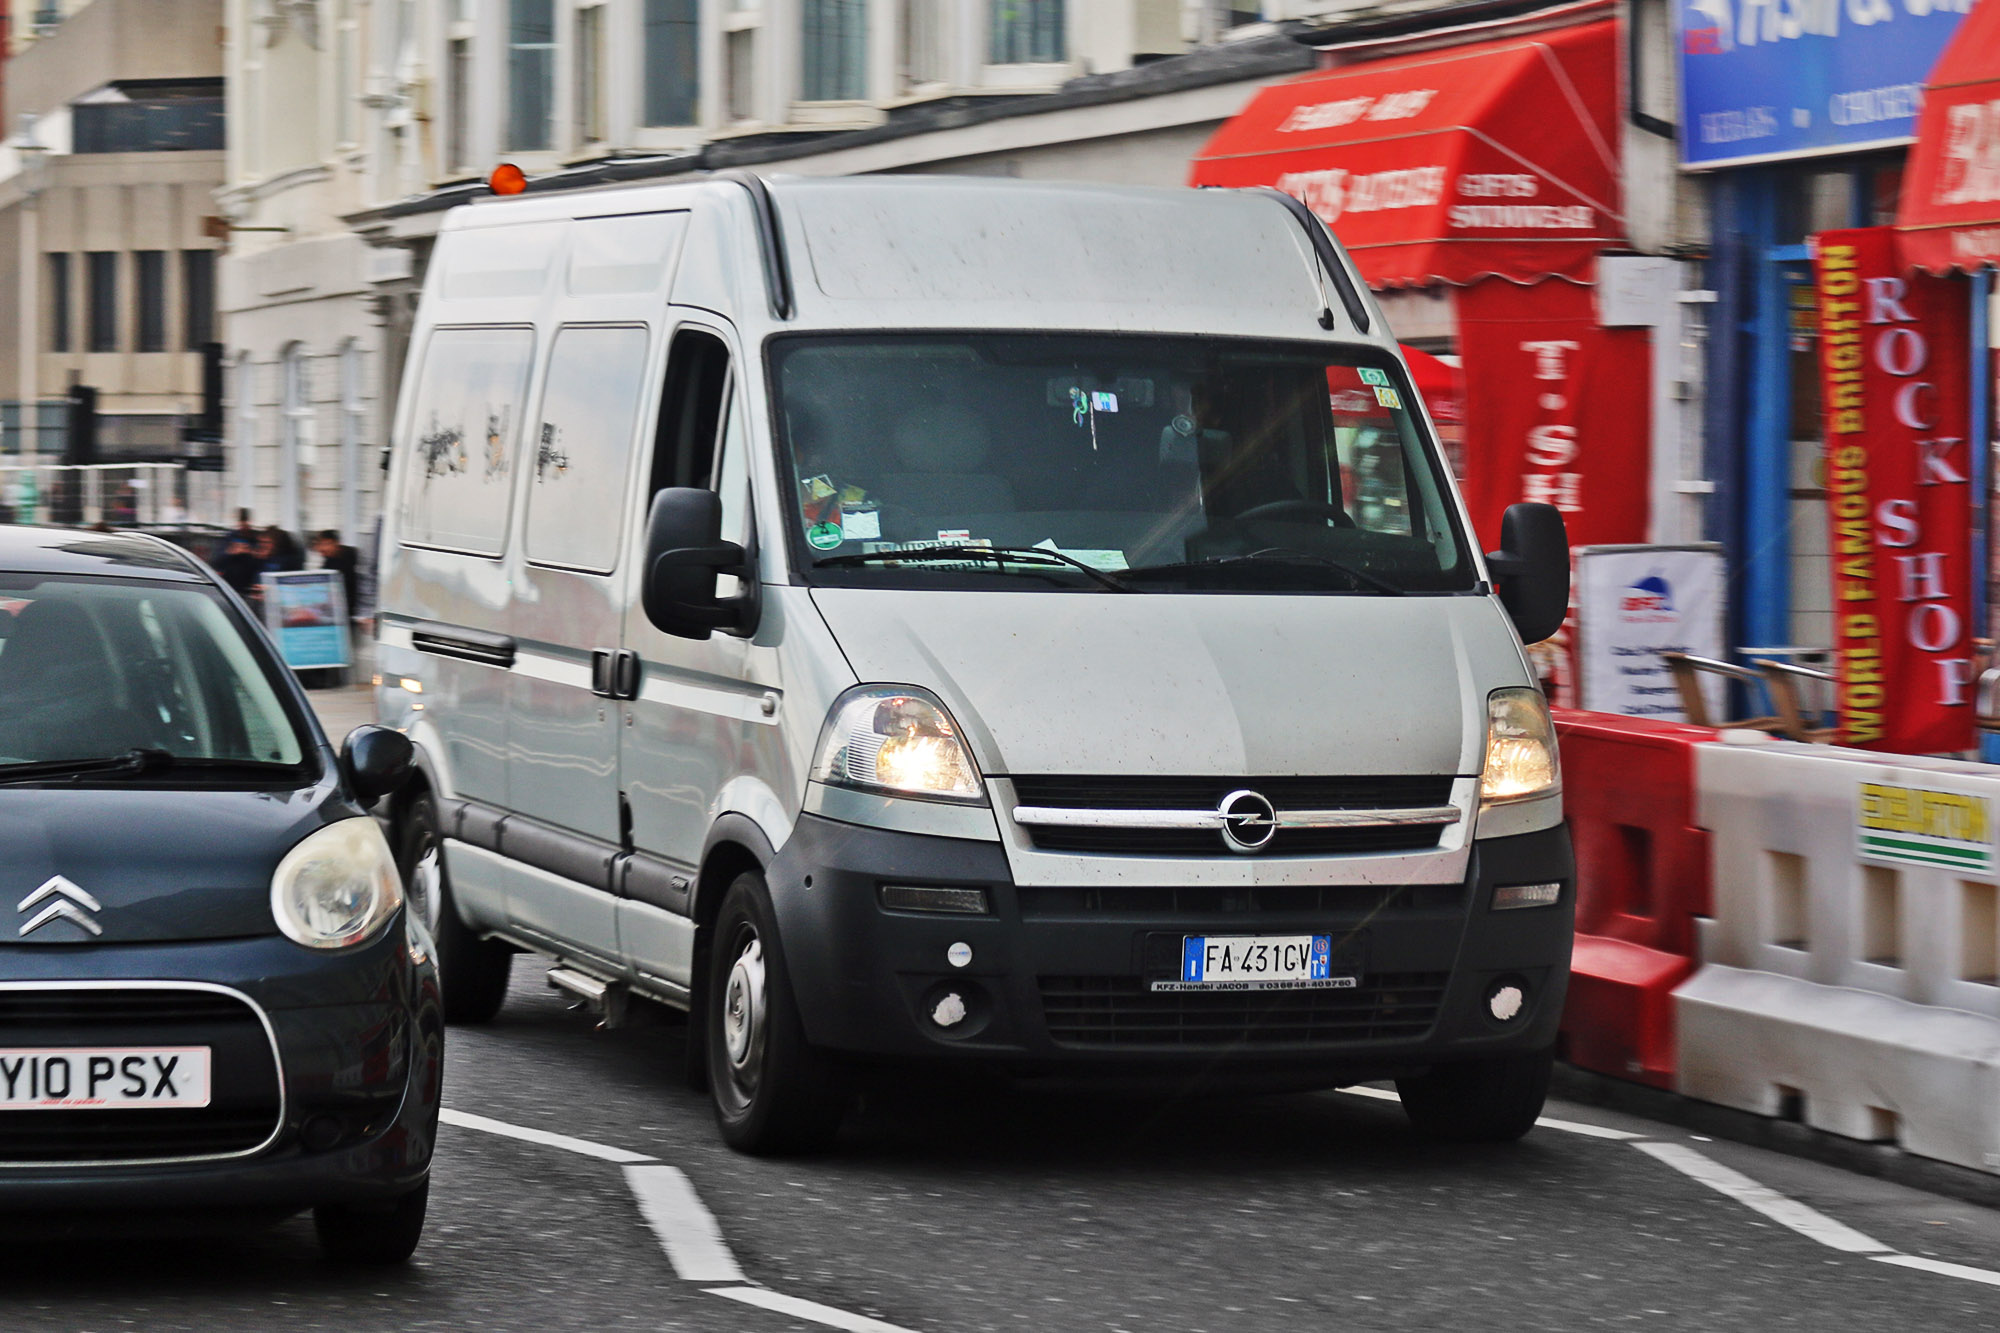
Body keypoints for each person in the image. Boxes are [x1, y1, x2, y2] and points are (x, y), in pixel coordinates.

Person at [314, 530, 361, 621]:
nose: (323, 548)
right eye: (320, 544)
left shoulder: (352, 558)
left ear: (336, 543)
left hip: (354, 611)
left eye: (326, 544)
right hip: (342, 611)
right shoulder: (329, 561)